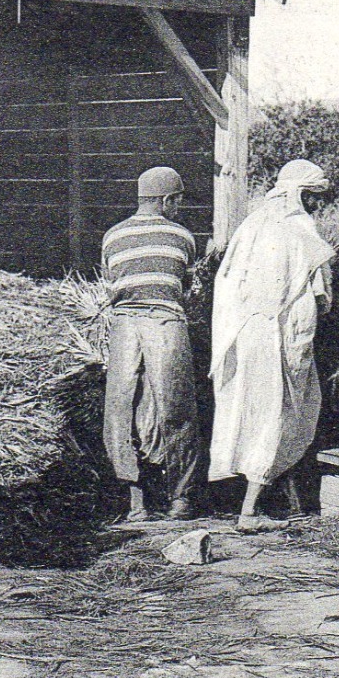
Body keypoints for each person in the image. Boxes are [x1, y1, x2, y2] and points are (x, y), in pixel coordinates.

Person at [208, 159, 335, 532]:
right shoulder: (300, 229)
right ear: (301, 194)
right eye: (314, 197)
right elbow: (323, 295)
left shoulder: (252, 223)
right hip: (277, 337)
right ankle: (249, 513)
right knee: (278, 414)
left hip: (241, 334)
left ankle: (245, 501)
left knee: (246, 412)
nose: (317, 205)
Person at [101, 167, 199, 523]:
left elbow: (111, 287)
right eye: (178, 201)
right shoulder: (181, 236)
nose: (180, 207)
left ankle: (136, 504)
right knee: (178, 411)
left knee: (121, 411)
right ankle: (181, 500)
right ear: (167, 200)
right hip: (166, 325)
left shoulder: (113, 237)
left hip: (125, 327)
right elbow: (184, 287)